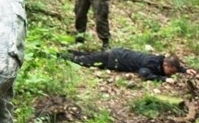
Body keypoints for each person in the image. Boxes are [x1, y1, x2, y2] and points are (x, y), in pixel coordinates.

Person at [62, 48, 196, 81]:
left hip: (117, 54)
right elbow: (143, 74)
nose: (172, 74)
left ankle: (69, 52)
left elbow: (173, 66)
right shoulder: (151, 63)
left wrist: (185, 70)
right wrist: (163, 79)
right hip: (114, 58)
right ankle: (59, 55)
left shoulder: (160, 61)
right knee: (84, 62)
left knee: (89, 57)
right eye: (172, 71)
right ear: (166, 66)